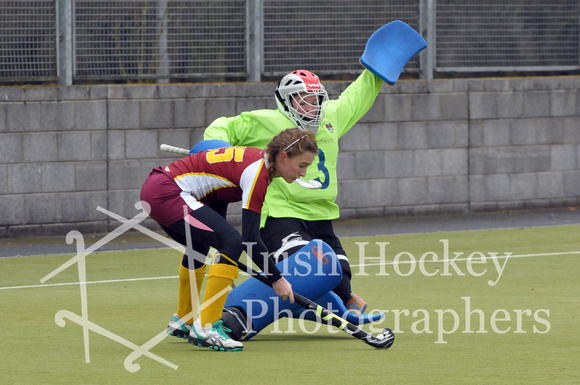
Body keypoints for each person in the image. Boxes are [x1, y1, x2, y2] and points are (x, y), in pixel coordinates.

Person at [203, 69, 383, 314]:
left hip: (321, 215)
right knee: (307, 269)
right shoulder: (266, 121)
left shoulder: (331, 117)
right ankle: (235, 305)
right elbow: (221, 126)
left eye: (316, 99)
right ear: (286, 101)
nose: (313, 106)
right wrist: (218, 149)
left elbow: (357, 97)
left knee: (339, 279)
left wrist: (376, 69)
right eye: (304, 100)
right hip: (280, 212)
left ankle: (334, 297)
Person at [140, 127, 318, 351]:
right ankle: (206, 327)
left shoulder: (254, 163)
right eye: (302, 165)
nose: (303, 173)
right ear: (283, 156)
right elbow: (250, 239)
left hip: (158, 190)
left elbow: (216, 203)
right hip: (168, 193)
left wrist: (226, 254)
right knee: (233, 242)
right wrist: (276, 279)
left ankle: (183, 319)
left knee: (202, 245)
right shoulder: (258, 173)